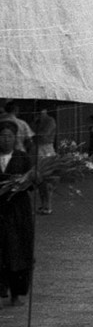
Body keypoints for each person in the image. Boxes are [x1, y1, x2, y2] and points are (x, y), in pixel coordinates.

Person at [0, 119, 35, 305]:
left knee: (17, 252)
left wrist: (24, 182)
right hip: (0, 211)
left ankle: (16, 293)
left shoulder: (22, 157)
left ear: (15, 138)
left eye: (9, 137)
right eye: (2, 136)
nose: (5, 140)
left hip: (18, 213)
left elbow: (34, 182)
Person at [32, 108, 57, 215]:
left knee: (47, 179)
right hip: (36, 149)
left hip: (46, 149)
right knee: (39, 179)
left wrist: (35, 132)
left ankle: (48, 205)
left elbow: (44, 135)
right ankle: (43, 204)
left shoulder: (50, 121)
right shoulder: (35, 121)